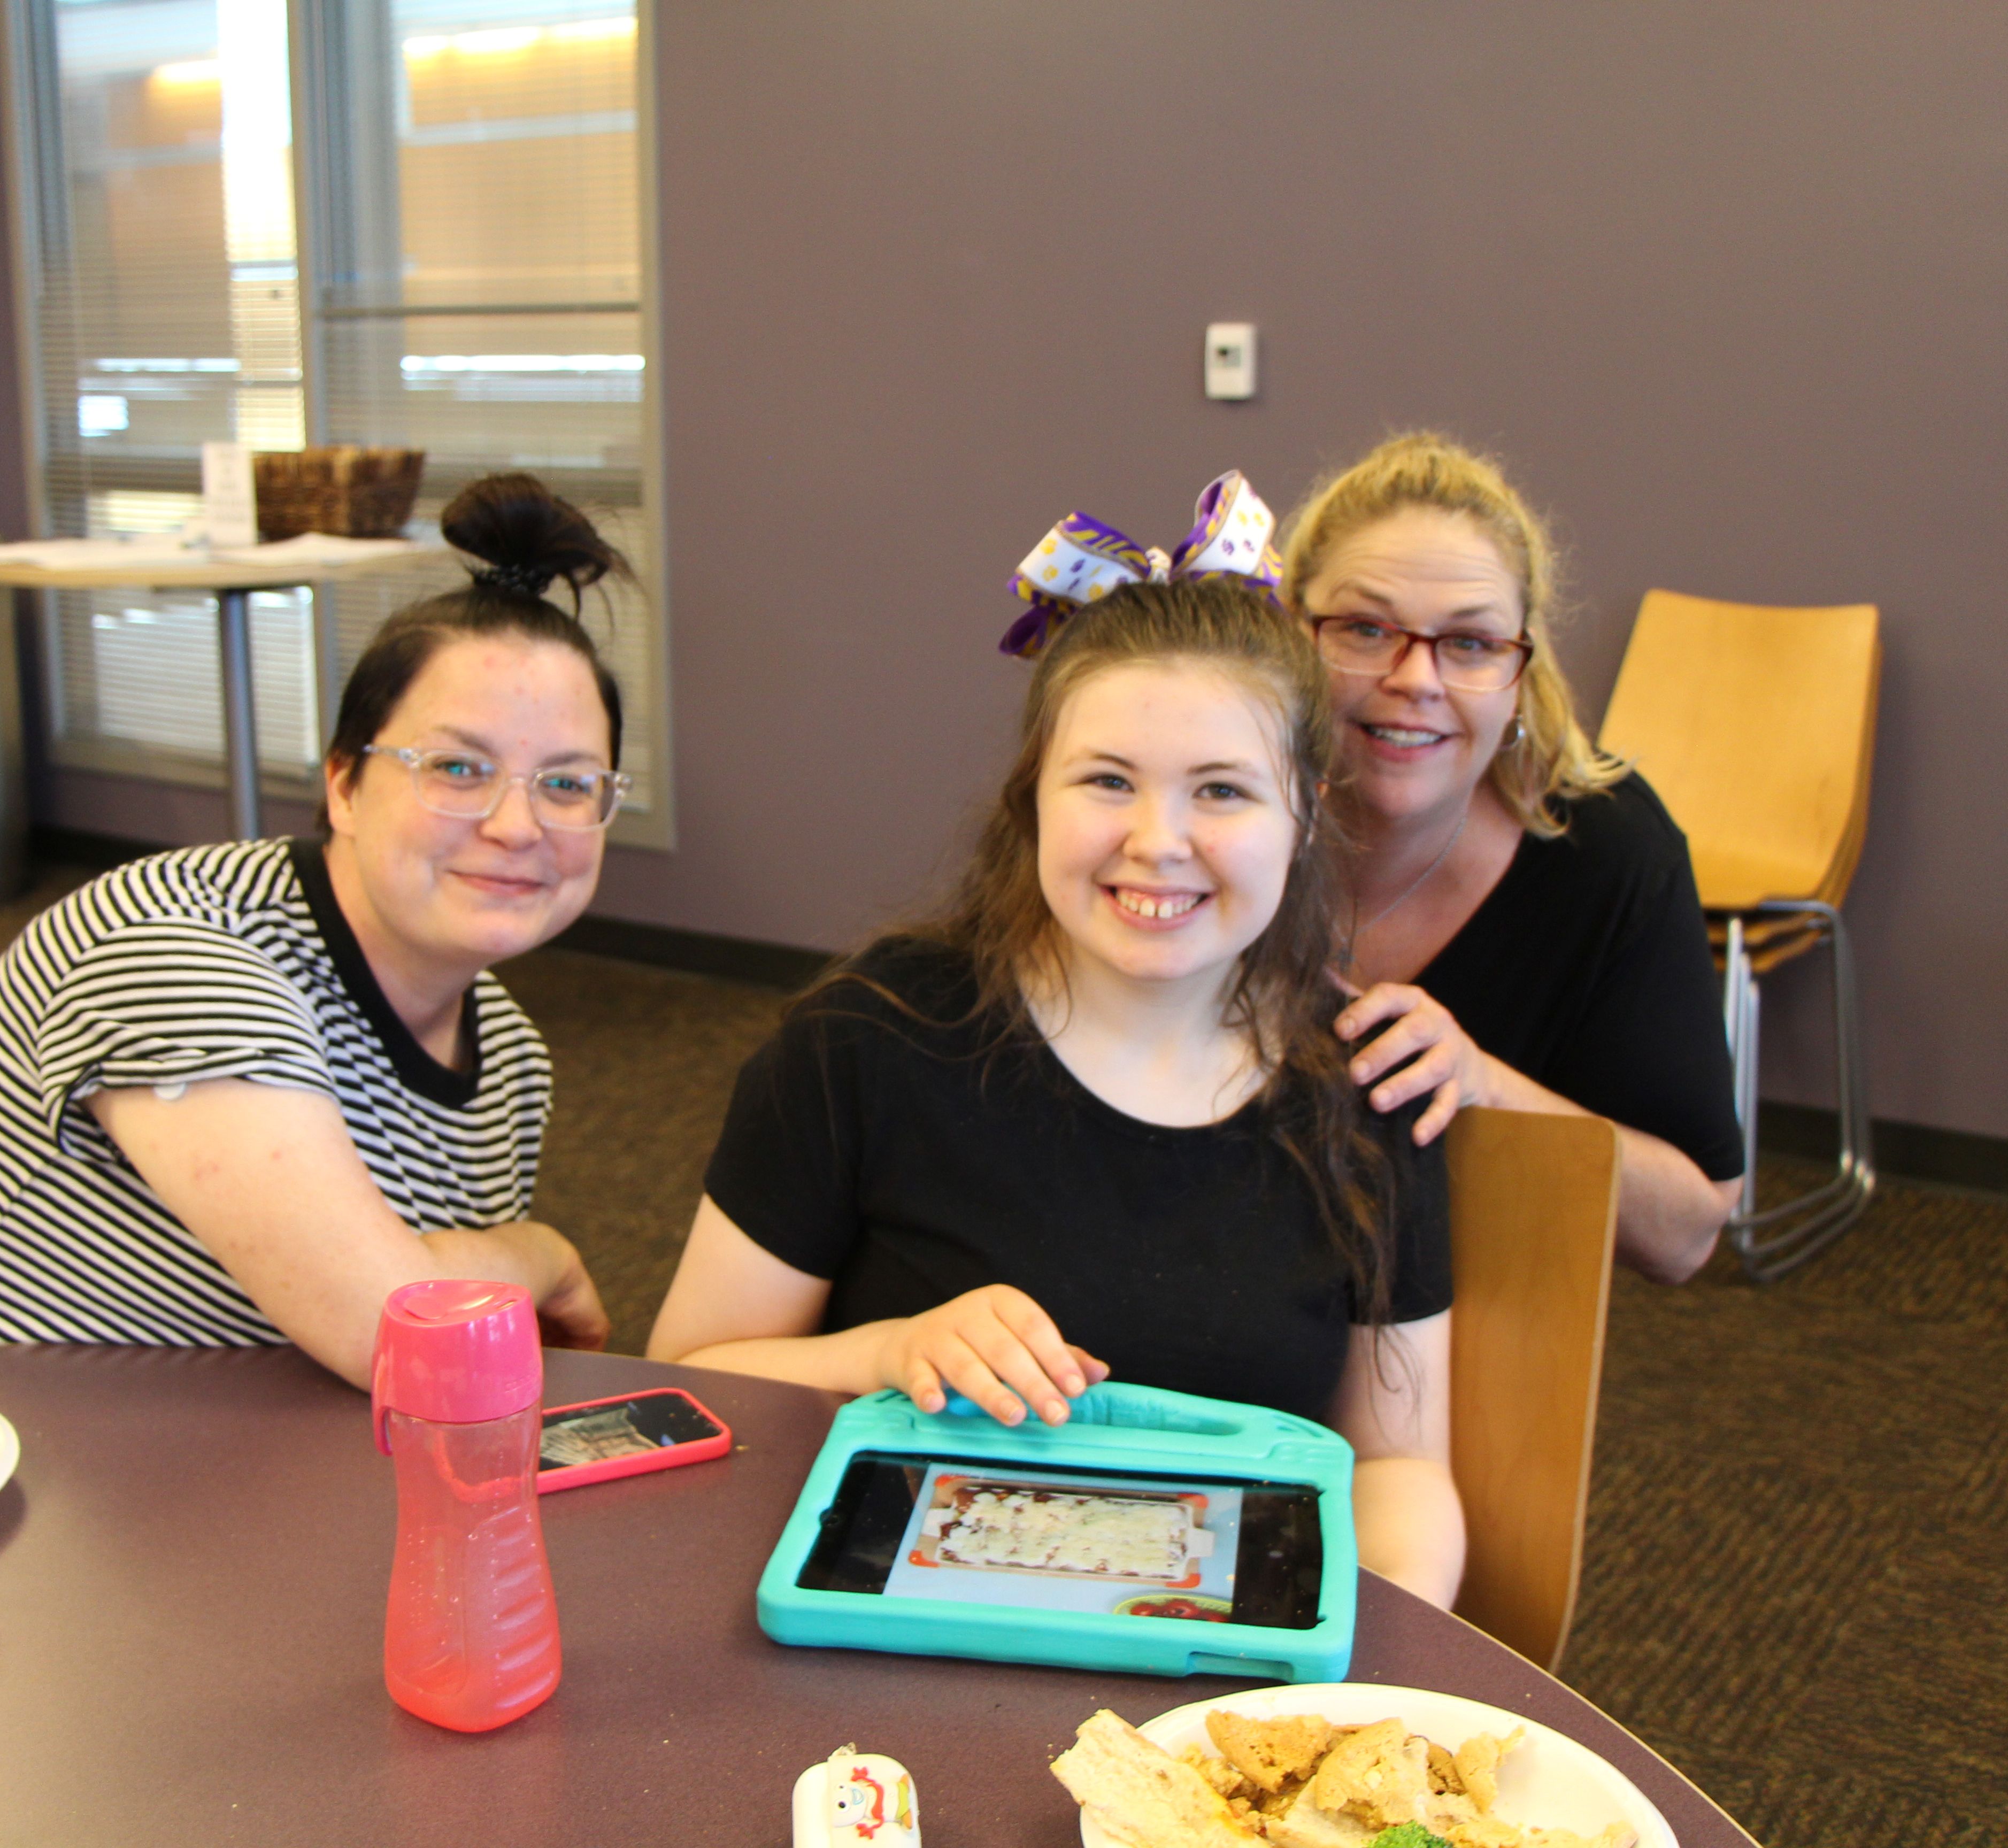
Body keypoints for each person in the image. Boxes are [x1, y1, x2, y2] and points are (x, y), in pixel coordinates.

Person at [648, 475, 1464, 1607]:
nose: (1156, 841)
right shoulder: (869, 1041)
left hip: (1214, 1675)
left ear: (1306, 816)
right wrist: (886, 1356)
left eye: (1222, 791)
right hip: (889, 1642)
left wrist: (1361, 1671)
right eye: (1108, 781)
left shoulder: (1369, 1082)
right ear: (1033, 796)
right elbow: (684, 1386)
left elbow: (1400, 1466)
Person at [0, 473, 627, 1385]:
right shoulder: (174, 949)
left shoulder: (507, 1056)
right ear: (344, 786)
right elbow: (403, 1341)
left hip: (134, 1486)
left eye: (567, 783)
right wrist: (540, 1253)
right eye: (458, 768)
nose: (517, 826)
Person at [1279, 433, 1744, 1283]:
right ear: (1291, 635)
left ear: (1520, 675)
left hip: (1476, 1320)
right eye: (1365, 628)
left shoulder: (1610, 858)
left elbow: (1686, 1236)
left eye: (1470, 644)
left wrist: (1482, 1087)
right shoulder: (1205, 805)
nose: (1415, 677)